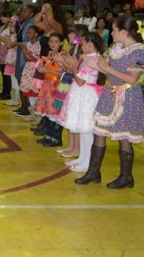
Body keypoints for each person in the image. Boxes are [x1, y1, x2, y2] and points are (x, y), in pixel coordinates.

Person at [76, 16, 143, 188]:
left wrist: (106, 68)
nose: (111, 33)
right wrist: (93, 63)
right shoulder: (115, 48)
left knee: (124, 137)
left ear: (124, 32)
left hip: (127, 97)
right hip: (109, 93)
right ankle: (93, 171)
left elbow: (132, 78)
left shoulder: (139, 51)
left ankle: (126, 177)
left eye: (113, 30)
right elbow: (104, 67)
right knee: (99, 131)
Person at [58, 33, 104, 173]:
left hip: (86, 95)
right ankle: (83, 158)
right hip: (82, 93)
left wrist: (73, 67)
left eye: (83, 43)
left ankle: (88, 162)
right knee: (83, 130)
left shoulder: (92, 59)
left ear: (90, 45)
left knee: (87, 130)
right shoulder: (89, 58)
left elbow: (80, 80)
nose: (81, 45)